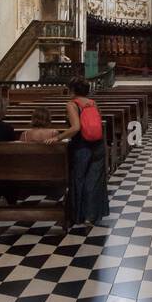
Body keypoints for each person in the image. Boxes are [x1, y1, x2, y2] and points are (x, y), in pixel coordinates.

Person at [56, 79, 109, 228]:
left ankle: (78, 215)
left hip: (81, 145)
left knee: (79, 178)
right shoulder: (93, 103)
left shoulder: (72, 104)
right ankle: (91, 216)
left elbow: (76, 128)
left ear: (72, 90)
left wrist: (58, 137)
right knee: (94, 180)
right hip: (97, 144)